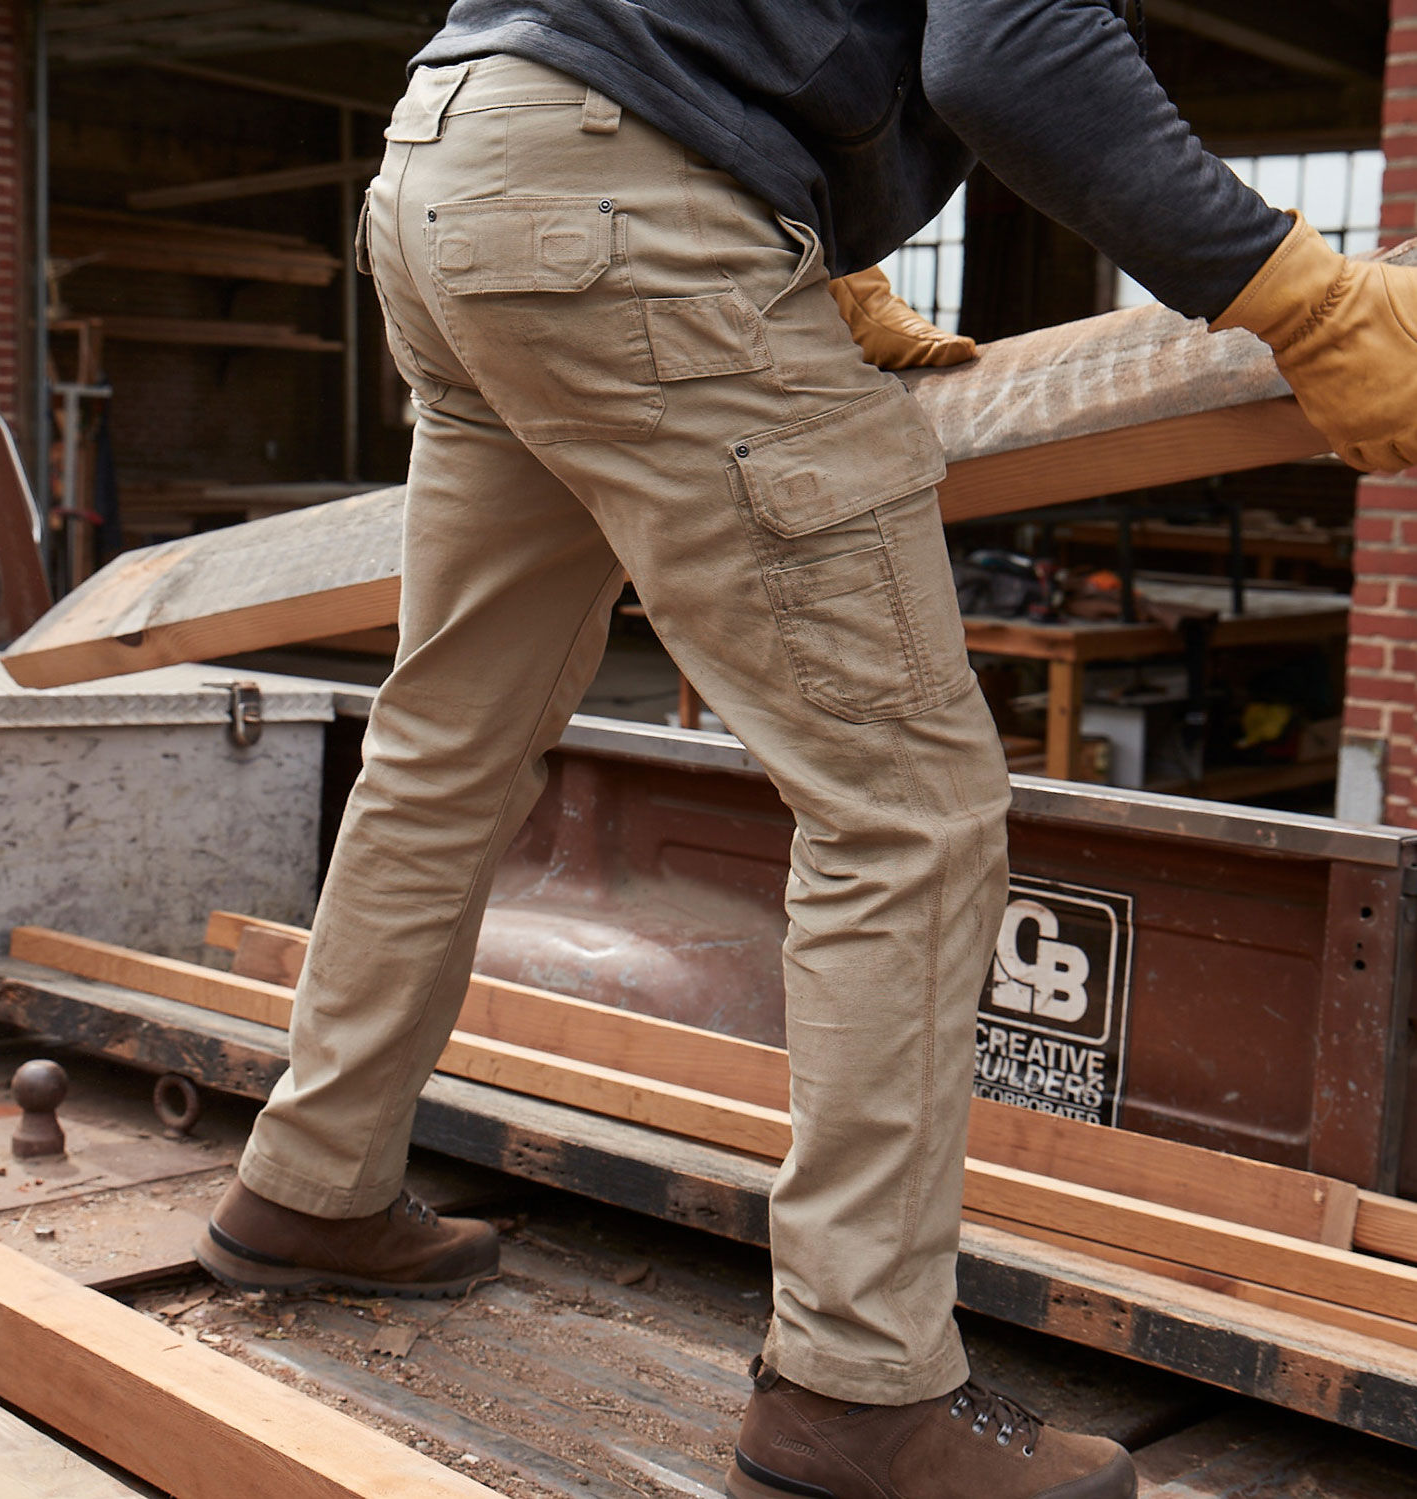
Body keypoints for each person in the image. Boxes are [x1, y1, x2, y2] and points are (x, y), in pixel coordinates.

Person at [195, 5, 1417, 1496]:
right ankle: (860, 1388)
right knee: (905, 812)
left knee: (448, 742)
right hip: (616, 209)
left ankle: (311, 1186)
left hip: (454, 166)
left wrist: (806, 254)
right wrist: (1306, 298)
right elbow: (1013, 56)